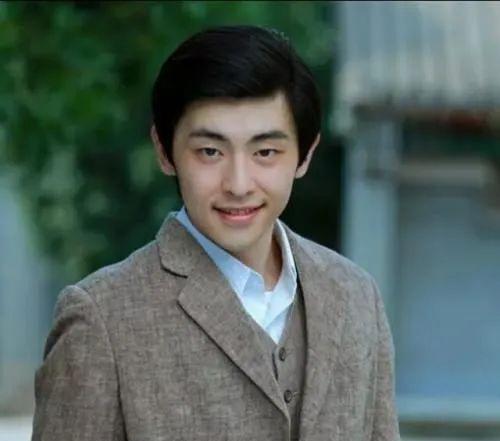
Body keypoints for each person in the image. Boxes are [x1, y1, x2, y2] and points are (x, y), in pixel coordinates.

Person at [31, 25, 400, 441]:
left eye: (265, 152)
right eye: (210, 151)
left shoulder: (355, 296)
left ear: (305, 154)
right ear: (164, 151)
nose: (238, 184)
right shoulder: (102, 319)